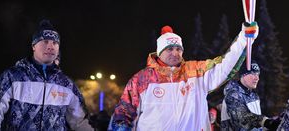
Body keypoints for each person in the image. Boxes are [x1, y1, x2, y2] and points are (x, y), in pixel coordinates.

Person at [109, 22, 258, 130]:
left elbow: (225, 65)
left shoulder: (196, 72)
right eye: (169, 49)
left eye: (178, 49)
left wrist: (244, 39)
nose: (175, 53)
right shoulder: (141, 80)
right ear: (159, 52)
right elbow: (123, 116)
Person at [0, 19, 93, 130]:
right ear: (33, 46)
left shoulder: (66, 85)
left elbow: (81, 122)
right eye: (45, 41)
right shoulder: (13, 77)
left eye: (55, 43)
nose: (50, 46)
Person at [221, 62, 278, 131]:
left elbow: (255, 126)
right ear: (243, 75)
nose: (257, 78)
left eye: (258, 74)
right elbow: (242, 117)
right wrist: (265, 122)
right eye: (253, 74)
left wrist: (271, 124)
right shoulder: (232, 95)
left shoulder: (253, 95)